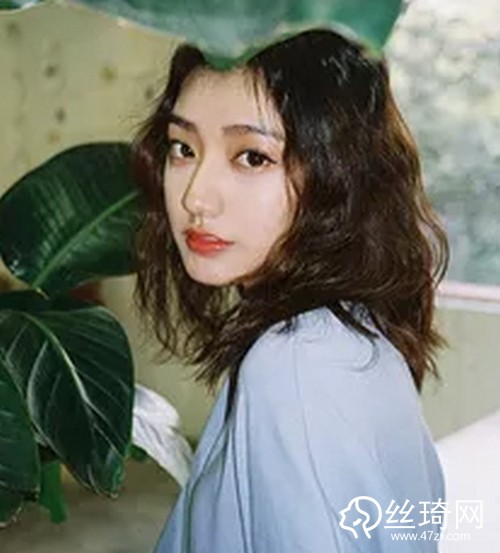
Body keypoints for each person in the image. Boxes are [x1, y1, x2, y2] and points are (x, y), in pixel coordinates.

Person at [131, 27, 450, 553]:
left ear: (338, 173)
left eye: (252, 157)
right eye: (183, 148)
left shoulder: (298, 365)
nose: (196, 198)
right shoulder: (344, 334)